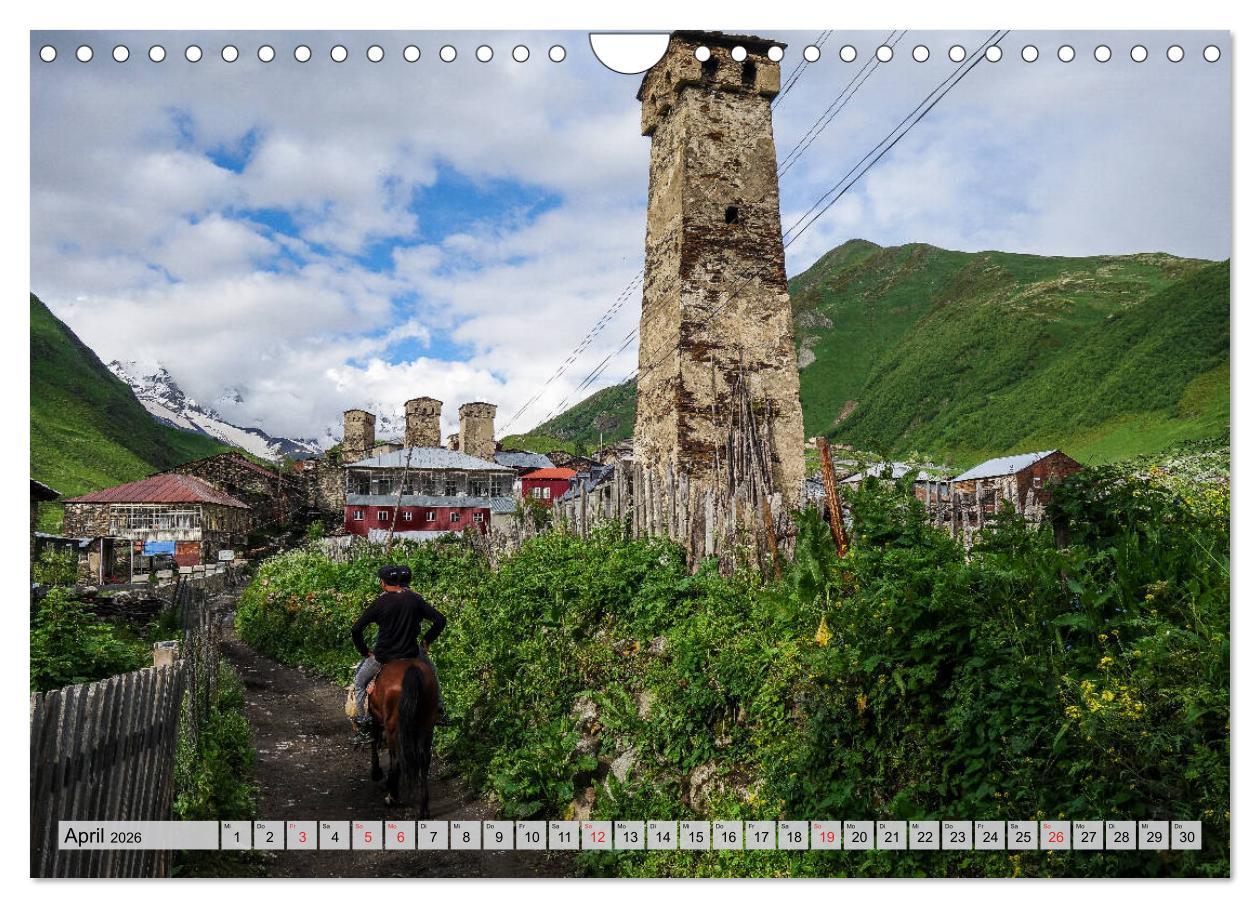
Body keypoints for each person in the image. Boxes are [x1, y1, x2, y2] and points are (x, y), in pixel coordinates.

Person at [349, 564, 450, 742]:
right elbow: (440, 620)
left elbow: (356, 629)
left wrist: (365, 652)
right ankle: (440, 711)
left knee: (359, 682)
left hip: (383, 657)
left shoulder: (380, 602)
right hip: (412, 653)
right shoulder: (414, 599)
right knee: (431, 674)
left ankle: (364, 725)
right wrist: (427, 640)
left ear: (383, 583)